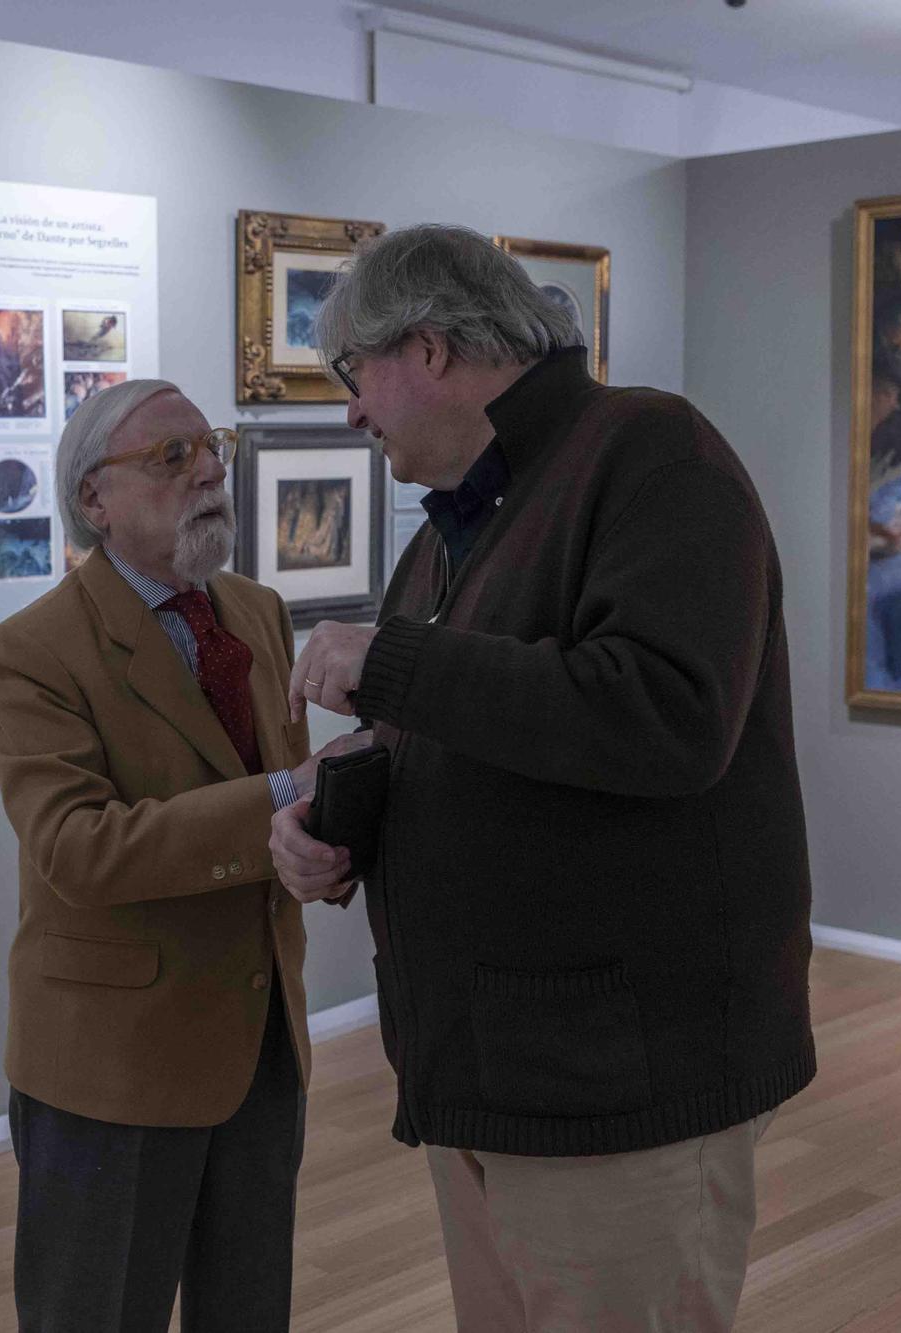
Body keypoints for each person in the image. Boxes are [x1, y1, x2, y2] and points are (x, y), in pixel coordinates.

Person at [268, 225, 816, 1332]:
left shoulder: (653, 454)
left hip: (620, 1083)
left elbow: (667, 716)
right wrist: (331, 810)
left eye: (353, 375)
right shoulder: (451, 530)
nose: (352, 414)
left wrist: (393, 663)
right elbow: (460, 730)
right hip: (487, 1070)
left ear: (427, 348)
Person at [0, 378, 366, 1332]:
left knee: (249, 1311)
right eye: (170, 457)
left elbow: (279, 809)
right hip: (115, 1062)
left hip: (261, 1041)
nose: (208, 473)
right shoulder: (33, 650)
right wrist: (288, 794)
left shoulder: (256, 612)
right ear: (94, 499)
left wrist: (321, 849)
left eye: (210, 447)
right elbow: (79, 848)